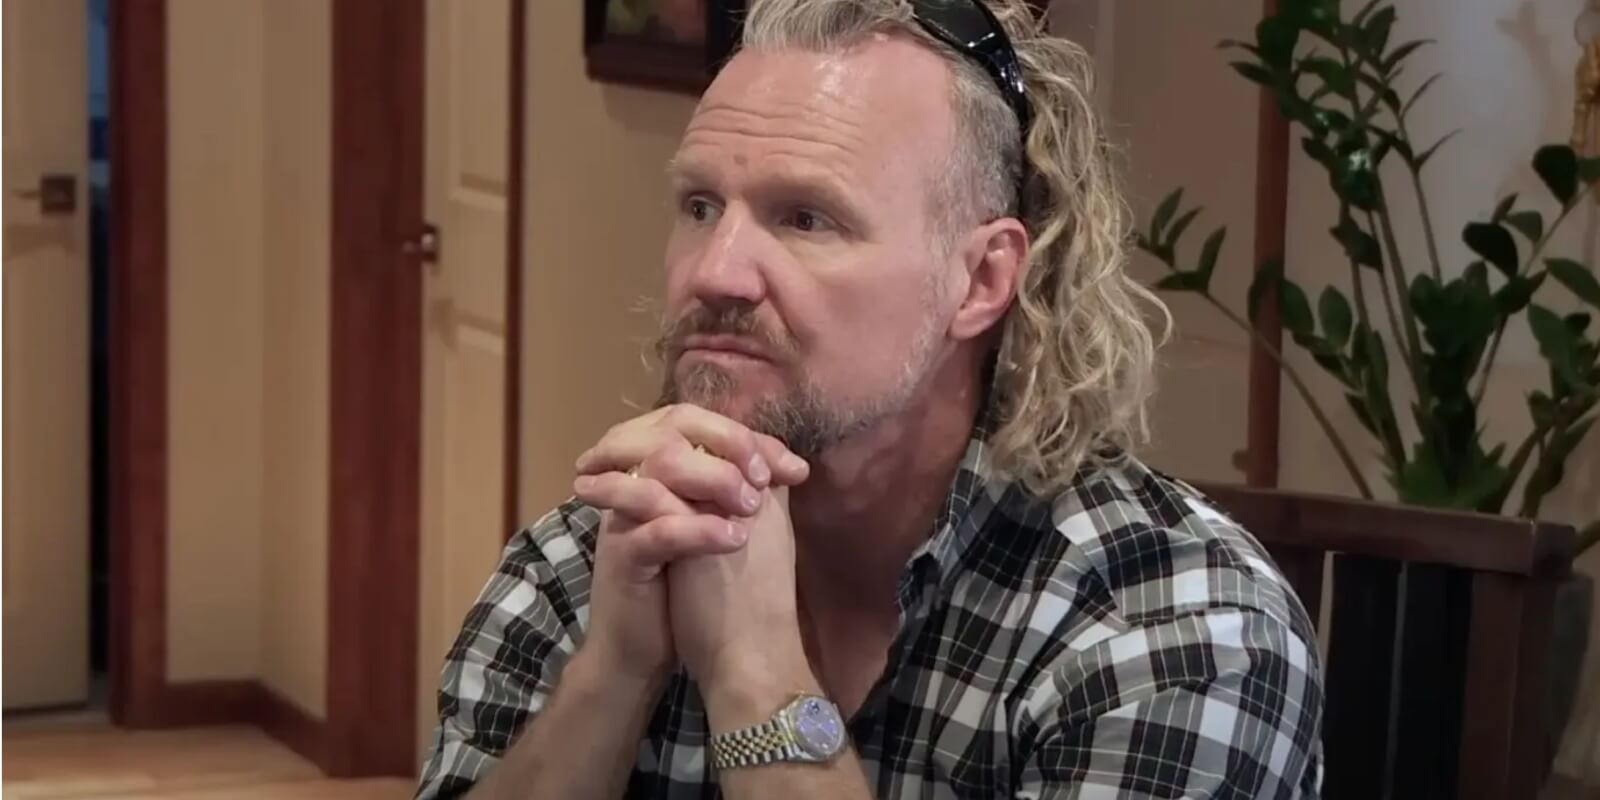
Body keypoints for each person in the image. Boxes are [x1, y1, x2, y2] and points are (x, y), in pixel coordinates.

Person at [416, 0, 1324, 797]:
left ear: (981, 280)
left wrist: (758, 677)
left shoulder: (1173, 624)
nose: (716, 271)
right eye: (699, 206)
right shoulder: (587, 561)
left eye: (806, 218)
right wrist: (612, 675)